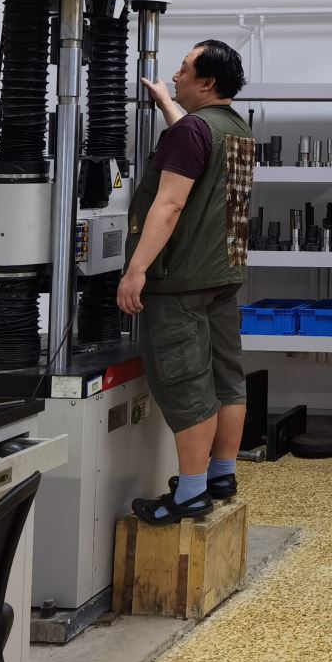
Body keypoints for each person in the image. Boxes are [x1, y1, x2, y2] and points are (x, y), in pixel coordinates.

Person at [117, 39, 255, 524]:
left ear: (207, 82)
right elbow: (198, 144)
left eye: (183, 69)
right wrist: (167, 103)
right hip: (223, 274)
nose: (175, 76)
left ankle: (191, 494)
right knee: (226, 377)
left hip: (180, 282)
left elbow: (171, 204)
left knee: (186, 383)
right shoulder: (236, 128)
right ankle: (221, 474)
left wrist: (136, 269)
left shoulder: (194, 131)